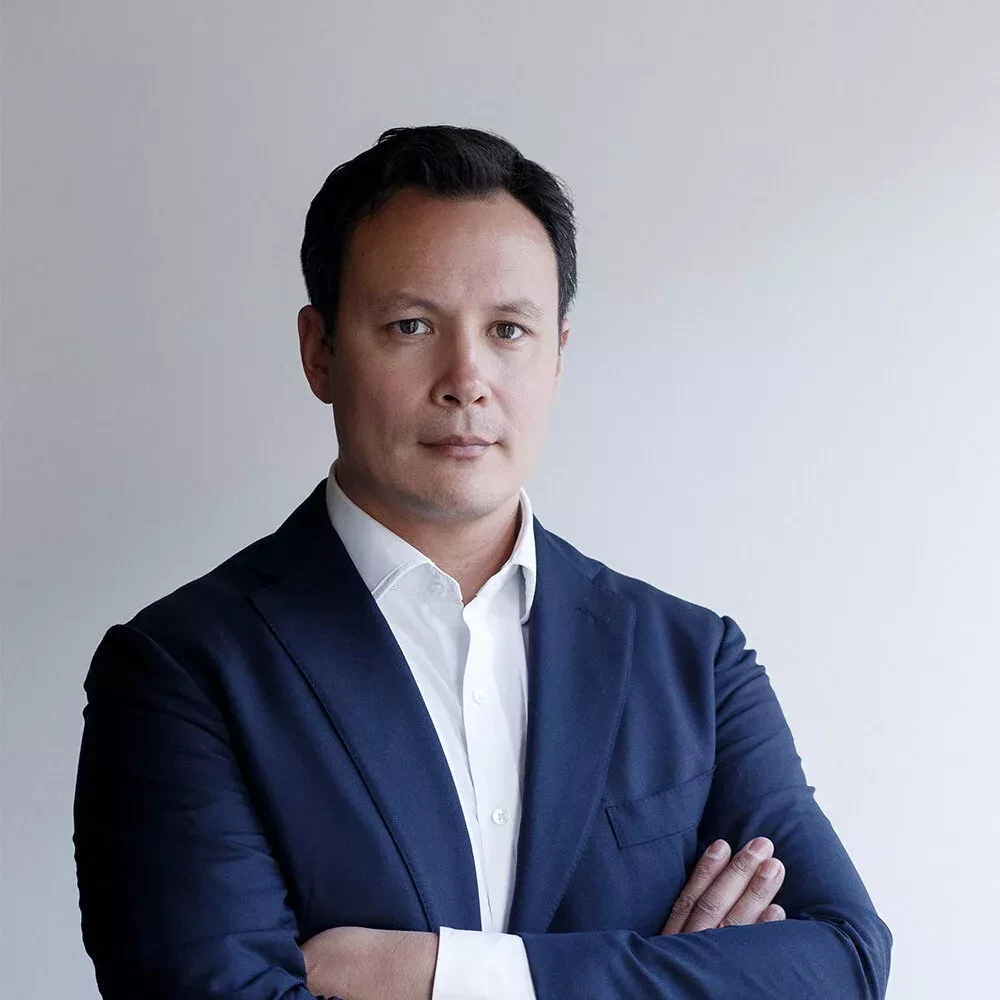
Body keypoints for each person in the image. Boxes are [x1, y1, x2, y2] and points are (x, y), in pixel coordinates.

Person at [73, 124, 892, 1000]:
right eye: (411, 324)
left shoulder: (695, 659)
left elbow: (844, 962)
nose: (466, 379)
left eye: (508, 330)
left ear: (557, 360)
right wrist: (683, 977)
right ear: (321, 352)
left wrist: (442, 973)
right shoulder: (181, 670)